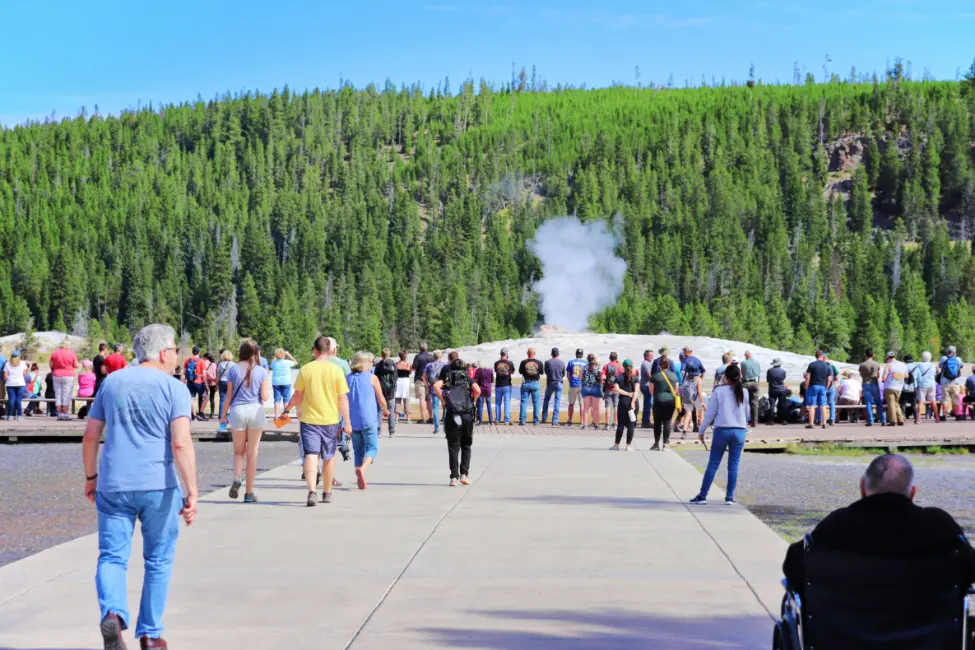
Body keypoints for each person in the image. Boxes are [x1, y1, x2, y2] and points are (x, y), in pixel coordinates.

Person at [81, 323, 198, 650]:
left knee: (111, 556)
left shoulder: (112, 383)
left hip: (113, 483)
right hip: (157, 486)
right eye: (175, 349)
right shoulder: (174, 389)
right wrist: (192, 491)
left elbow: (90, 435)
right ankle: (150, 634)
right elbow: (180, 444)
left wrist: (91, 478)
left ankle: (113, 616)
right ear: (163, 353)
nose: (177, 355)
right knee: (158, 559)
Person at [782, 454, 975, 601]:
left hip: (845, 634)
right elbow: (969, 569)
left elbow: (795, 567)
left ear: (862, 487)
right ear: (913, 493)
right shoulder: (939, 526)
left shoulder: (837, 525)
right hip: (929, 635)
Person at [282, 336, 352, 507]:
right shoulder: (336, 371)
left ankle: (312, 491)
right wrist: (348, 423)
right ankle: (327, 492)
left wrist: (288, 410)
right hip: (330, 420)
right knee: (329, 457)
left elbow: (298, 395)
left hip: (309, 420)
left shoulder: (306, 369)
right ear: (329, 351)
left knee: (311, 455)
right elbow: (342, 398)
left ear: (314, 350)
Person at [690, 364, 750, 505]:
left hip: (722, 430)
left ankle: (703, 495)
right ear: (739, 376)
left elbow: (710, 413)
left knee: (713, 465)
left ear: (725, 377)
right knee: (733, 466)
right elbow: (747, 413)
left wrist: (701, 430)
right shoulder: (745, 392)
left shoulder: (719, 391)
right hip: (740, 431)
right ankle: (729, 497)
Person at [220, 339, 271, 504]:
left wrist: (222, 415)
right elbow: (264, 397)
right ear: (256, 353)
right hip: (255, 411)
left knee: (238, 452)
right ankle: (249, 493)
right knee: (252, 453)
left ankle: (236, 477)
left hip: (238, 411)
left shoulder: (233, 369)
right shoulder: (261, 370)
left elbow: (228, 395)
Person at [433, 351, 481, 487]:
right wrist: (473, 401)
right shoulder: (467, 378)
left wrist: (443, 400)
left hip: (452, 414)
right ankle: (464, 474)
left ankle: (453, 477)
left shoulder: (448, 378)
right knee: (466, 445)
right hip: (466, 414)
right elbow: (477, 390)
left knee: (453, 446)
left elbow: (436, 386)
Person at [346, 351, 389, 490]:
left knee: (358, 449)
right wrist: (386, 410)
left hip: (353, 420)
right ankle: (363, 469)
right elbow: (381, 399)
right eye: (371, 362)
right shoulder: (372, 378)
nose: (372, 364)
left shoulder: (347, 378)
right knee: (372, 447)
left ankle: (358, 472)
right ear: (365, 362)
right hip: (369, 418)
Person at [649, 357, 679, 450]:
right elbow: (676, 389)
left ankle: (656, 444)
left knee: (657, 422)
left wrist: (657, 395)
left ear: (659, 365)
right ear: (668, 365)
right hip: (670, 400)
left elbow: (651, 390)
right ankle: (665, 444)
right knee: (667, 421)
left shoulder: (655, 376)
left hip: (658, 400)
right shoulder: (674, 376)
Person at [609, 360, 638, 451]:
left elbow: (616, 389)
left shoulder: (619, 377)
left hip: (623, 402)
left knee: (620, 424)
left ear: (623, 367)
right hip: (633, 404)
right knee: (631, 425)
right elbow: (636, 391)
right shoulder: (635, 377)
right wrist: (633, 401)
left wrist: (627, 394)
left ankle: (617, 445)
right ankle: (628, 446)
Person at [50, 339, 80, 420]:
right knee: (66, 395)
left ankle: (60, 414)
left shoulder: (55, 353)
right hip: (69, 375)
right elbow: (76, 365)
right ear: (67, 345)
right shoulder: (71, 353)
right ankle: (65, 414)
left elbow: (51, 365)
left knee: (58, 395)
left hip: (57, 375)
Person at [679, 346, 706, 435]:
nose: (683, 353)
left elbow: (682, 372)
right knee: (699, 409)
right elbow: (703, 371)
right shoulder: (697, 360)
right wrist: (700, 379)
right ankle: (699, 430)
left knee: (688, 411)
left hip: (688, 381)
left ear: (687, 351)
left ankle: (685, 431)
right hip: (697, 380)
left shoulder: (685, 360)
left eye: (684, 351)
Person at [804, 350, 832, 430]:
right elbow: (829, 379)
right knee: (823, 405)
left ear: (815, 356)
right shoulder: (827, 366)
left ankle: (811, 423)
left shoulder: (812, 365)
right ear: (822, 356)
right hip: (822, 386)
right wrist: (826, 387)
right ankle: (824, 423)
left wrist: (806, 386)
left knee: (812, 405)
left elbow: (808, 377)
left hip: (813, 386)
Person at [374, 349, 399, 437]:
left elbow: (375, 378)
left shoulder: (378, 365)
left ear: (382, 354)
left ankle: (378, 431)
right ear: (389, 354)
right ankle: (391, 432)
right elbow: (396, 378)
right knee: (391, 410)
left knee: (379, 411)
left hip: (381, 390)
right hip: (391, 391)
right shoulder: (393, 364)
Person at [859, 348, 886, 426]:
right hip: (874, 383)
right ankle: (883, 420)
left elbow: (861, 374)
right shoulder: (876, 364)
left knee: (868, 403)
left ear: (865, 355)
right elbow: (878, 375)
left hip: (866, 384)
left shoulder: (862, 364)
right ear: (873, 354)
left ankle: (870, 421)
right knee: (878, 403)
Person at [270, 348, 298, 418]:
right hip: (286, 382)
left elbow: (271, 365)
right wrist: (289, 355)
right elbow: (296, 362)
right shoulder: (287, 362)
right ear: (284, 355)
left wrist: (275, 356)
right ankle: (285, 416)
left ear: (276, 355)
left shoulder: (274, 363)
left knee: (277, 400)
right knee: (286, 399)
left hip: (276, 382)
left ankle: (276, 416)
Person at [881, 351, 907, 427]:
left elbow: (884, 377)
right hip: (899, 387)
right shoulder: (903, 365)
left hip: (889, 387)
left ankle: (893, 421)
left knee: (891, 404)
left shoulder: (888, 365)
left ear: (888, 358)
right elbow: (906, 376)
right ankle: (901, 420)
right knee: (896, 404)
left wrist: (883, 379)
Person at [182, 346, 208, 421]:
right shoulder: (201, 361)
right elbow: (204, 374)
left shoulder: (187, 360)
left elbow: (184, 372)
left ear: (192, 352)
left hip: (190, 382)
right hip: (198, 382)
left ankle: (194, 416)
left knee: (192, 399)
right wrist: (206, 385)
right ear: (199, 352)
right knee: (206, 397)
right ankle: (201, 413)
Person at [939, 345, 965, 420]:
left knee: (945, 399)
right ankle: (957, 415)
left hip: (945, 382)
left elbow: (940, 366)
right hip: (955, 382)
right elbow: (961, 366)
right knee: (956, 399)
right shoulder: (958, 359)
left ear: (948, 351)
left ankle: (944, 415)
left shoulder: (943, 358)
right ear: (955, 352)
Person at [519, 348, 543, 426]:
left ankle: (522, 420)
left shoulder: (523, 362)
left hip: (526, 383)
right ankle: (536, 421)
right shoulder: (539, 362)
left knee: (524, 402)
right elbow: (542, 372)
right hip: (535, 383)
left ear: (527, 353)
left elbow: (520, 372)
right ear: (534, 353)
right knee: (536, 403)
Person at [425, 351, 447, 434]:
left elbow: (423, 376)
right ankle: (446, 427)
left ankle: (437, 428)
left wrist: (427, 385)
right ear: (441, 356)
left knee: (435, 408)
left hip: (433, 388)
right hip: (443, 388)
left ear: (433, 356)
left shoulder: (429, 365)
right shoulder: (445, 365)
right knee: (445, 407)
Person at [411, 342, 434, 425]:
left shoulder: (417, 356)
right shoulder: (431, 357)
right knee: (428, 400)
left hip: (419, 379)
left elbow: (413, 368)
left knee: (422, 399)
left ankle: (423, 418)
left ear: (419, 348)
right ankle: (431, 418)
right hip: (428, 380)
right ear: (427, 348)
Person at [542, 347, 566, 426]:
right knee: (557, 401)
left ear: (552, 354)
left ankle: (544, 417)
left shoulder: (547, 362)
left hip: (550, 382)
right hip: (558, 382)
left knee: (546, 400)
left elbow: (546, 372)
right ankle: (555, 420)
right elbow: (563, 374)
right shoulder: (562, 363)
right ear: (558, 354)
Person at [600, 351, 623, 430]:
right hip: (616, 388)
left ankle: (607, 424)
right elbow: (622, 376)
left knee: (607, 406)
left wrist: (603, 382)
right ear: (616, 358)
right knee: (616, 406)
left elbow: (602, 377)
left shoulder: (606, 366)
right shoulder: (619, 367)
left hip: (608, 388)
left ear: (609, 358)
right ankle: (616, 424)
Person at [3, 350, 28, 421]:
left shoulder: (7, 364)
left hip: (10, 384)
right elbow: (25, 374)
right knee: (18, 400)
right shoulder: (23, 363)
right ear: (19, 356)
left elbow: (5, 377)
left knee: (11, 400)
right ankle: (19, 416)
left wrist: (9, 380)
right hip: (20, 384)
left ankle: (10, 416)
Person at [566, 348, 587, 427]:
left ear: (576, 354)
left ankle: (570, 419)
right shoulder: (586, 363)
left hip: (573, 384)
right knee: (581, 404)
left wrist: (571, 382)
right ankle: (581, 421)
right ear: (582, 355)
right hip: (582, 385)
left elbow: (568, 375)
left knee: (571, 403)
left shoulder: (571, 362)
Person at [493, 348, 515, 425]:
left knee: (498, 403)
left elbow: (497, 371)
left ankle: (497, 419)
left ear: (500, 353)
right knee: (507, 403)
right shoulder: (510, 363)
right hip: (507, 385)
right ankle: (506, 420)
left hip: (498, 385)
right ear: (507, 354)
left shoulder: (496, 363)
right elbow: (513, 372)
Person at [580, 354, 602, 430]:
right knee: (595, 408)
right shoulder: (597, 368)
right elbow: (601, 378)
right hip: (595, 388)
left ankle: (585, 424)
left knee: (586, 408)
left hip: (586, 388)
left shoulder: (583, 368)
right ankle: (596, 424)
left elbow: (580, 378)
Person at [916, 351, 938, 423]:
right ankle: (937, 417)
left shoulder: (919, 365)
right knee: (933, 401)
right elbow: (935, 374)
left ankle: (919, 418)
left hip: (922, 385)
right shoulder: (933, 365)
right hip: (932, 384)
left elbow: (917, 374)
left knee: (921, 401)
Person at [740, 350, 760, 427]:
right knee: (754, 403)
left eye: (745, 355)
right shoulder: (757, 362)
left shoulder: (743, 363)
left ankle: (743, 421)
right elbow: (758, 374)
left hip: (745, 383)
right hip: (755, 383)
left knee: (743, 402)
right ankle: (754, 422)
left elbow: (741, 374)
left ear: (747, 355)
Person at [766, 358, 789, 424]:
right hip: (781, 389)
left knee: (772, 405)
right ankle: (783, 420)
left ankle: (771, 420)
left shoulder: (769, 371)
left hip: (772, 390)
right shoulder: (783, 371)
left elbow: (768, 380)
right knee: (782, 405)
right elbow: (783, 378)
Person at [216, 349, 234, 425]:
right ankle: (230, 415)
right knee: (231, 399)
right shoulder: (233, 364)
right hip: (230, 382)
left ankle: (221, 415)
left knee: (222, 399)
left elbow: (218, 375)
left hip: (222, 382)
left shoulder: (220, 364)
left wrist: (217, 383)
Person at [394, 351, 412, 423]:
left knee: (397, 399)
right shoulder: (408, 365)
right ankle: (408, 419)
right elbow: (409, 373)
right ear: (405, 357)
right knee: (406, 400)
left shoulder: (395, 364)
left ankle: (396, 418)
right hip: (405, 382)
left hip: (398, 381)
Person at [639, 349, 655, 429]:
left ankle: (645, 420)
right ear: (646, 356)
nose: (652, 356)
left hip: (647, 386)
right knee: (647, 404)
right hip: (646, 386)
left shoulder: (648, 363)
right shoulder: (646, 364)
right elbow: (649, 375)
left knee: (648, 404)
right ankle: (645, 422)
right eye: (651, 355)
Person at [474, 360, 494, 425]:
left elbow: (475, 380)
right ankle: (491, 421)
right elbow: (492, 380)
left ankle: (480, 421)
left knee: (480, 406)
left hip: (481, 389)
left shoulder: (478, 370)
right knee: (489, 405)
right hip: (488, 389)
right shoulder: (490, 370)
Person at [901, 353, 918, 423]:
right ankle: (916, 419)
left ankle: (902, 417)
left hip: (904, 388)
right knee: (913, 404)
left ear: (905, 360)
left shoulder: (903, 367)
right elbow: (920, 379)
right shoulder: (916, 367)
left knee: (903, 403)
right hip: (914, 387)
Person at [203, 352, 218, 418]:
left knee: (203, 397)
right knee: (212, 398)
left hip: (206, 382)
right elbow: (216, 373)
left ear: (206, 357)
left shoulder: (205, 363)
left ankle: (201, 412)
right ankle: (212, 412)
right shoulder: (214, 364)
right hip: (214, 382)